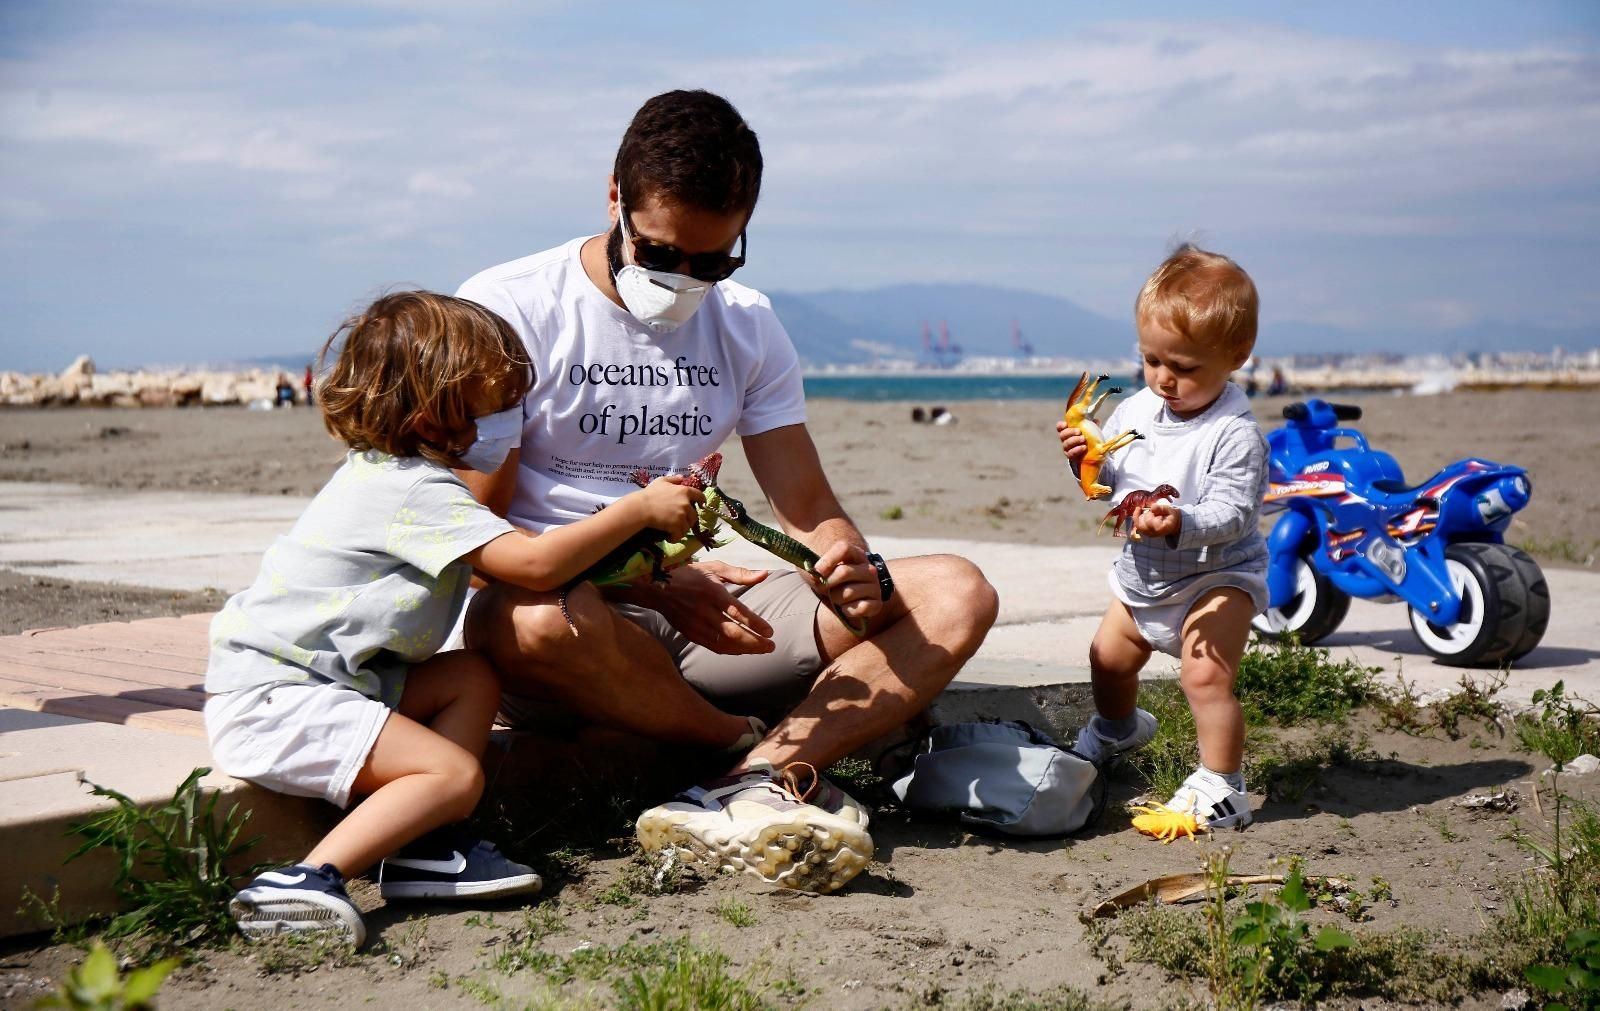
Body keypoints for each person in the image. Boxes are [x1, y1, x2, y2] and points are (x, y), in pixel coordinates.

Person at [455, 90, 997, 894]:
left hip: (708, 620)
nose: (685, 280)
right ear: (614, 197)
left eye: (715, 262)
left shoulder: (747, 323)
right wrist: (655, 583)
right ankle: (734, 746)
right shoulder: (508, 308)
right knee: (529, 623)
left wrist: (844, 559)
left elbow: (808, 505)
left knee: (956, 591)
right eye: (662, 255)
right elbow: (468, 545)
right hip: (574, 622)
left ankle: (751, 778)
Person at [208, 292, 711, 945]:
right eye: (497, 406)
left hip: (320, 685)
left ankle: (426, 845)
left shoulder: (402, 477)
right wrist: (637, 511)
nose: (513, 420)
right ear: (430, 417)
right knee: (454, 772)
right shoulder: (412, 490)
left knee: (472, 676)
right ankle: (302, 881)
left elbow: (519, 563)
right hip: (278, 701)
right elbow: (530, 565)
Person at [1055, 245, 1268, 834]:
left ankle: (1224, 786)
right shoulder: (1136, 411)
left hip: (1219, 575)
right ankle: (1118, 730)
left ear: (1236, 356)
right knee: (1108, 660)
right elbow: (1110, 490)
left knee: (1206, 676)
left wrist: (1179, 520)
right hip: (1144, 574)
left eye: (1185, 367)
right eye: (1151, 360)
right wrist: (1085, 464)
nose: (1164, 379)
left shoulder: (1234, 435)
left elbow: (1234, 511)